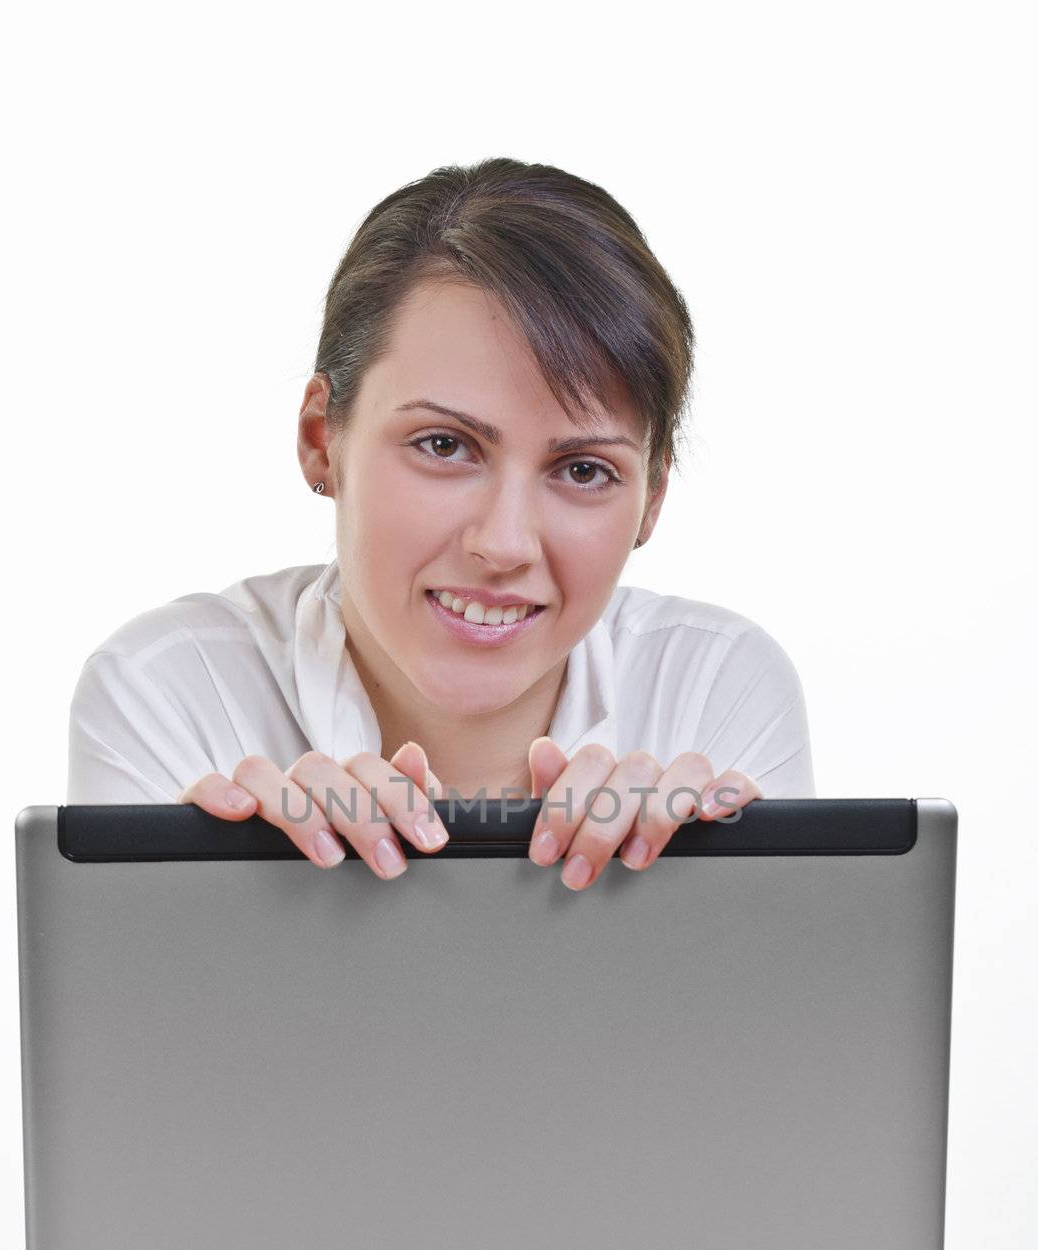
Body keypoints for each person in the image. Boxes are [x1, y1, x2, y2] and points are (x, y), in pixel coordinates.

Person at [67, 156, 814, 892]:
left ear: (652, 496)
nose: (504, 544)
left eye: (583, 470)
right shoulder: (172, 692)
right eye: (445, 446)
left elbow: (786, 1017)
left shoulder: (715, 692)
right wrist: (241, 902)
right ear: (322, 437)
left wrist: (688, 907)